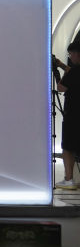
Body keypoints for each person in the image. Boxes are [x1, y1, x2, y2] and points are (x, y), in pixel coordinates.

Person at [56, 41, 80, 190]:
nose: (70, 57)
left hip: (73, 115)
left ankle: (69, 179)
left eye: (71, 54)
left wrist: (59, 72)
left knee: (67, 147)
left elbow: (61, 87)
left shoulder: (74, 72)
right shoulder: (74, 71)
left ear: (77, 53)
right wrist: (62, 66)